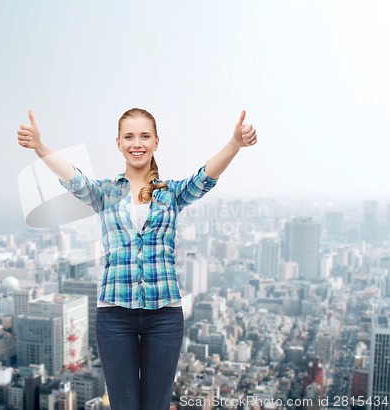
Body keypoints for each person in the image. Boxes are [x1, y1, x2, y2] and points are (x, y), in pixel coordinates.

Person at [17, 107, 257, 410]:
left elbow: (204, 177)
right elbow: (73, 179)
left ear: (156, 142)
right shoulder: (104, 193)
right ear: (118, 143)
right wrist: (40, 146)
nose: (137, 143)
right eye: (129, 136)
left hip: (165, 316)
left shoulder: (171, 193)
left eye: (145, 136)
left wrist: (235, 143)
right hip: (114, 315)